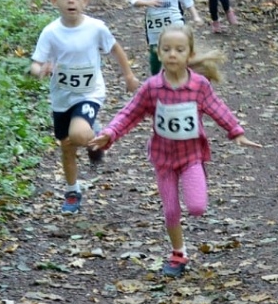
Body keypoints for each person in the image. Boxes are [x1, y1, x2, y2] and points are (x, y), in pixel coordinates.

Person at [90, 24, 260, 277]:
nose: (172, 54)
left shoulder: (199, 86)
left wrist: (236, 131)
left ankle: (198, 180)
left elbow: (217, 107)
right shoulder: (152, 87)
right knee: (171, 210)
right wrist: (110, 133)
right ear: (158, 53)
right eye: (167, 49)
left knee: (197, 207)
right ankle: (178, 253)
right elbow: (130, 113)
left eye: (179, 50)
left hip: (191, 156)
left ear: (189, 55)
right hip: (163, 158)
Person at [29, 0, 140, 214]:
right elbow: (35, 64)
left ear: (86, 0)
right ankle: (72, 191)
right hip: (62, 98)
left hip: (90, 93)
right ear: (53, 0)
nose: (71, 0)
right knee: (67, 145)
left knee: (78, 133)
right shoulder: (50, 32)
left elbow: (114, 49)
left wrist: (128, 76)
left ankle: (93, 138)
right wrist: (41, 70)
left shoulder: (95, 27)